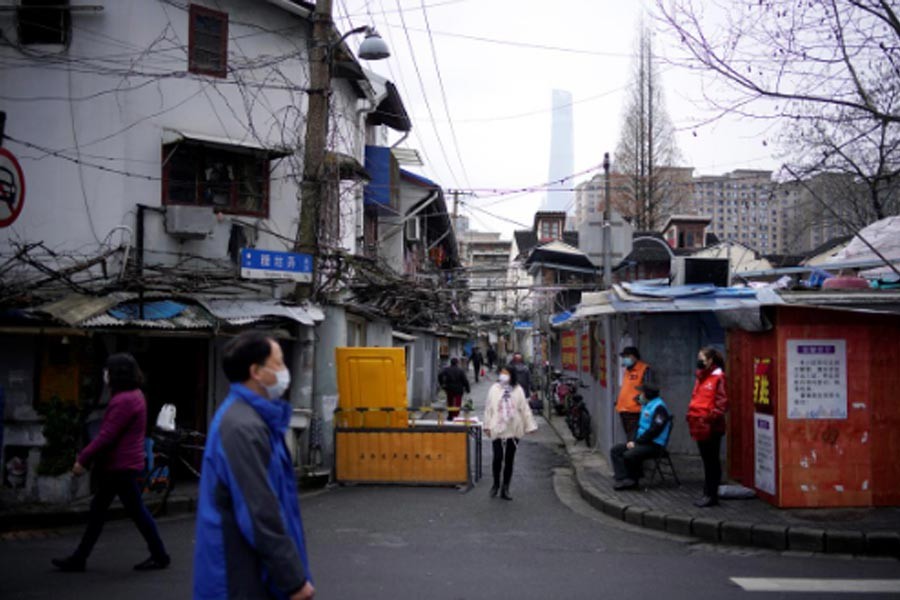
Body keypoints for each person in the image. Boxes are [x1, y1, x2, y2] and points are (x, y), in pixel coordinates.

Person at [193, 332, 314, 600]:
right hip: (239, 575)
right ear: (256, 372)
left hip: (254, 571)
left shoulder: (257, 419)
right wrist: (293, 580)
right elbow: (259, 510)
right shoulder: (242, 427)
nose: (285, 371)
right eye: (279, 363)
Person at [52, 353, 170, 573]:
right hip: (125, 464)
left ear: (117, 374)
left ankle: (159, 555)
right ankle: (80, 557)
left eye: (108, 370)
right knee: (107, 510)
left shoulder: (124, 400)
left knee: (133, 513)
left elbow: (106, 436)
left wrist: (82, 460)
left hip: (121, 467)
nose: (104, 374)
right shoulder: (135, 395)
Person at [610, 371, 671, 490]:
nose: (639, 395)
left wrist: (637, 442)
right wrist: (631, 440)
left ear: (647, 394)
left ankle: (633, 480)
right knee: (616, 450)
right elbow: (638, 426)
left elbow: (654, 430)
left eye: (641, 393)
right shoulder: (646, 405)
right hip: (643, 442)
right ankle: (622, 478)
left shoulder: (659, 408)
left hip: (654, 444)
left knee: (629, 454)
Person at [483, 366, 538, 500]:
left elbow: (524, 408)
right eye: (502, 373)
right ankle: (495, 484)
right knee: (497, 458)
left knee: (509, 459)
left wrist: (530, 425)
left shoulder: (518, 390)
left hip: (513, 428)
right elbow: (489, 408)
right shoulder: (494, 389)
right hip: (497, 427)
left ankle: (505, 488)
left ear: (512, 375)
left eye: (506, 373)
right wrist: (486, 425)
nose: (503, 375)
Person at [686, 346, 728, 508]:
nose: (699, 361)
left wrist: (708, 418)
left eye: (702, 359)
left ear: (710, 361)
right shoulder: (701, 378)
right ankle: (707, 492)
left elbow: (721, 403)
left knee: (711, 461)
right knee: (706, 460)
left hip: (711, 426)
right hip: (698, 424)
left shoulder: (719, 378)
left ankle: (711, 494)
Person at [615, 346, 652, 441]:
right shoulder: (628, 370)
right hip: (624, 410)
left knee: (634, 439)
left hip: (635, 412)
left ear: (634, 357)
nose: (624, 359)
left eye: (626, 356)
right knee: (630, 438)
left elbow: (649, 390)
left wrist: (639, 401)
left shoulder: (644, 369)